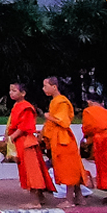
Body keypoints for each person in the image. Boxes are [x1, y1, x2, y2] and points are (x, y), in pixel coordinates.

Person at [5, 82, 54, 206]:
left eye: (14, 91)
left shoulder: (26, 107)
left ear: (23, 93)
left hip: (26, 142)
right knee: (30, 169)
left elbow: (23, 127)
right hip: (21, 141)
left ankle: (35, 201)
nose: (11, 93)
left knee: (31, 171)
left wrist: (11, 137)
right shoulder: (17, 106)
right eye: (10, 90)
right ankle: (41, 197)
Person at [41, 77, 87, 205]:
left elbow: (64, 122)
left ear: (54, 87)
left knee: (68, 169)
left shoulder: (62, 102)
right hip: (58, 138)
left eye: (45, 86)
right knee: (71, 168)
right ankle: (79, 197)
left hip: (63, 139)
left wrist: (48, 116)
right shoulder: (55, 101)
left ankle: (69, 200)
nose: (43, 89)